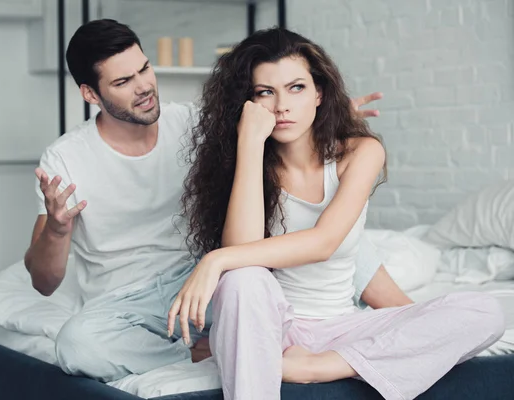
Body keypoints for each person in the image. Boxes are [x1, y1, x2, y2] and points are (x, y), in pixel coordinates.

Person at [25, 19, 410, 383]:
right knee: (77, 346)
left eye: (144, 69)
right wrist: (58, 230)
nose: (143, 86)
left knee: (324, 220)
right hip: (133, 303)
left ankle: (403, 313)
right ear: (90, 93)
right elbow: (44, 281)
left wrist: (319, 121)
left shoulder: (193, 123)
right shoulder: (65, 159)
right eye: (124, 81)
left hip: (209, 276)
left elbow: (273, 123)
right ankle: (209, 352)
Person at [170, 27, 506, 400]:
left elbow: (324, 242)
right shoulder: (247, 164)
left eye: (296, 88)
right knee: (241, 279)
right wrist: (250, 143)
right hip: (273, 325)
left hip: (341, 327)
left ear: (319, 93)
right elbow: (244, 253)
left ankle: (316, 366)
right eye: (266, 92)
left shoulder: (360, 153)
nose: (282, 106)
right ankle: (257, 359)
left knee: (483, 310)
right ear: (247, 103)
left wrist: (214, 260)